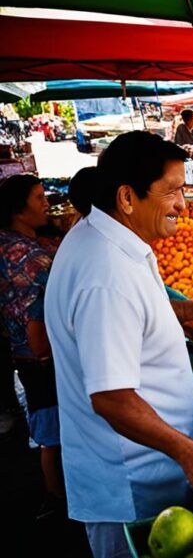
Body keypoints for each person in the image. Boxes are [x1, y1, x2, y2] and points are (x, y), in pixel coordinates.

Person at [44, 132, 193, 557]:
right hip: (132, 484)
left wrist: (191, 311)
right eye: (171, 192)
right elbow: (112, 398)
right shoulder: (106, 275)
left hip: (148, 469)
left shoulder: (107, 238)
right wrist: (189, 451)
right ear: (127, 198)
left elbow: (133, 320)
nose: (182, 205)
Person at [0, 175, 62, 516]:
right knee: (53, 429)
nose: (46, 202)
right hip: (42, 354)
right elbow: (38, 315)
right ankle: (56, 497)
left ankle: (55, 493)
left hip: (21, 352)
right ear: (18, 209)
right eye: (38, 197)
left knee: (46, 422)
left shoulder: (7, 243)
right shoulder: (31, 257)